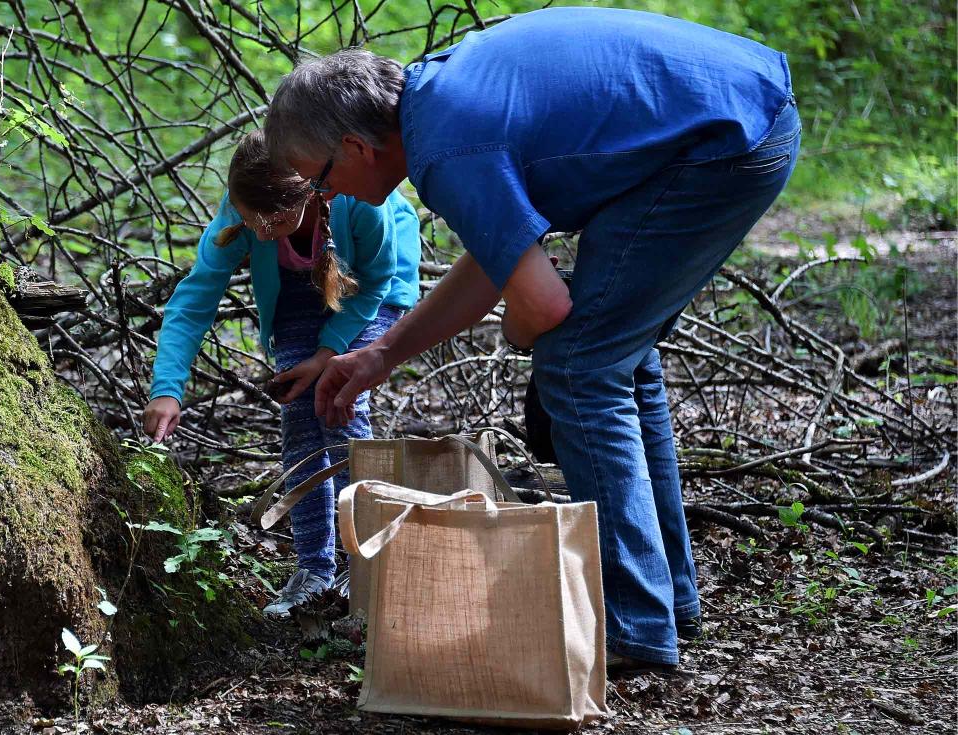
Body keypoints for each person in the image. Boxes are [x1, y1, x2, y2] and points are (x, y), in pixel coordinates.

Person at [264, 6, 799, 672]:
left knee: (579, 363)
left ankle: (635, 622)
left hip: (724, 141)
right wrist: (382, 352)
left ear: (355, 149)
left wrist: (535, 340)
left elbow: (541, 304)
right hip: (738, 110)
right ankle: (668, 598)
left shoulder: (446, 145)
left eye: (318, 179)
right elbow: (500, 261)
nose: (324, 195)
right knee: (615, 357)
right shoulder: (438, 104)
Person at [143, 130, 421, 617]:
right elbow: (193, 300)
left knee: (341, 412)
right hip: (297, 295)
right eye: (250, 221)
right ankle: (314, 567)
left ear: (311, 193)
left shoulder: (360, 204)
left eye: (270, 223)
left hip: (369, 293)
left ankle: (369, 569)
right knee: (301, 420)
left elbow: (376, 282)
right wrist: (167, 389)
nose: (259, 233)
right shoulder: (246, 215)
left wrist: (328, 353)